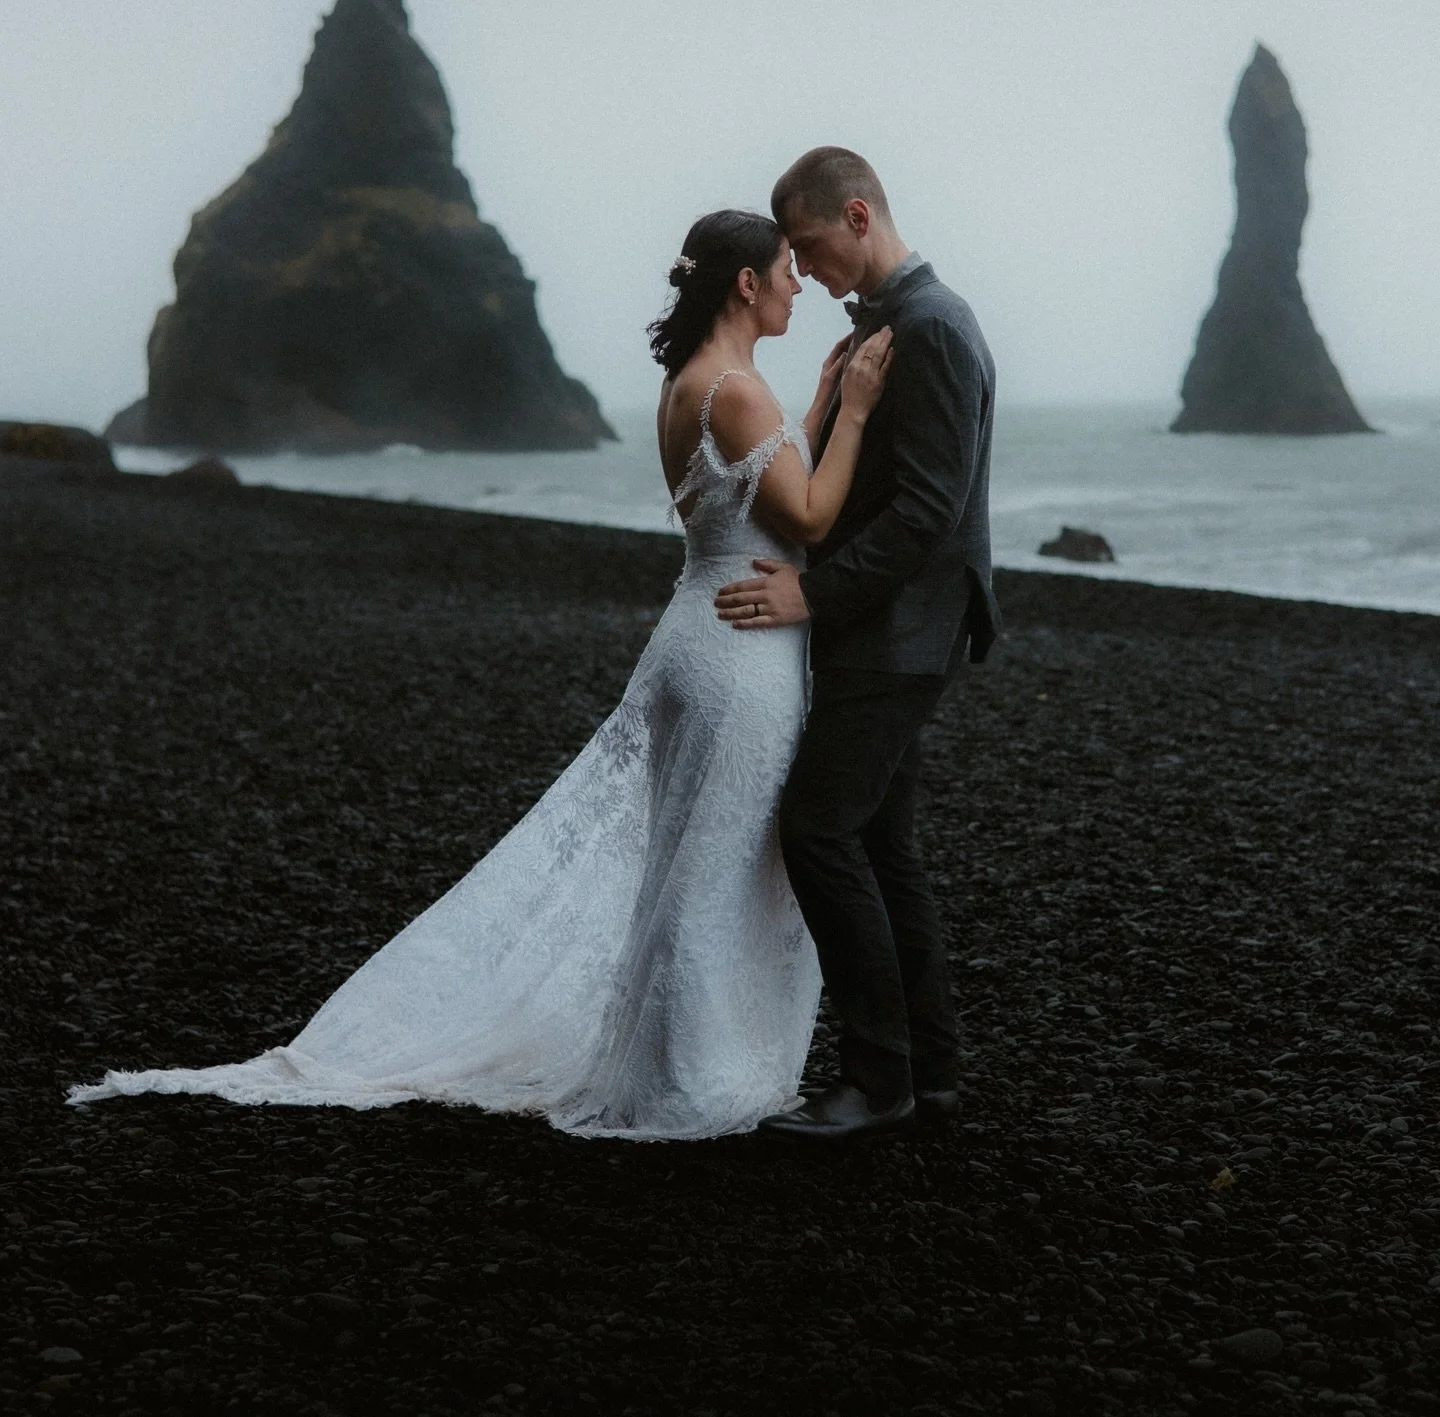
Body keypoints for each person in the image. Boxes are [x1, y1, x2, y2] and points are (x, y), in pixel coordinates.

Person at [68, 209, 892, 1141]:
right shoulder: (736, 391)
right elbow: (809, 517)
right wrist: (859, 409)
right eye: (785, 269)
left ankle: (677, 1060)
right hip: (740, 649)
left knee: (694, 857)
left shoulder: (694, 382)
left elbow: (765, 491)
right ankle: (690, 1076)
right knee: (716, 866)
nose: (796, 284)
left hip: (704, 632)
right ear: (745, 282)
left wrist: (818, 405)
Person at [715, 148, 999, 1142]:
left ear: (858, 215)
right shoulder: (894, 323)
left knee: (818, 832)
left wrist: (811, 594)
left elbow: (927, 511)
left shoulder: (933, 326)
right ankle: (931, 1072)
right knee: (881, 843)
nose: (801, 266)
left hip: (898, 632)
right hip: (890, 627)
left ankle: (879, 1080)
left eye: (808, 244)